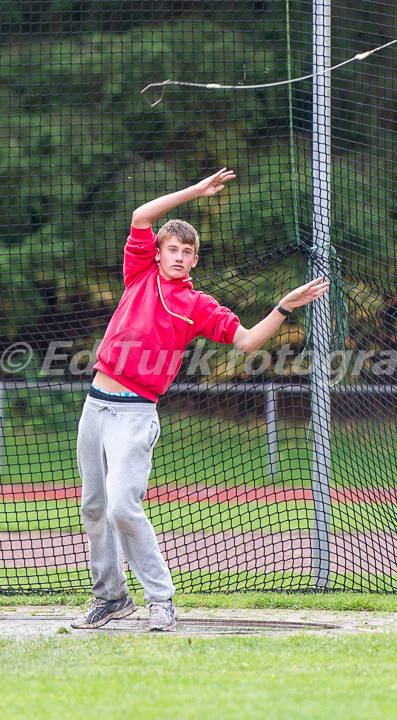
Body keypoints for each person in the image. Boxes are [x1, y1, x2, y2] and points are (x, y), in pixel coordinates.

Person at [71, 168, 329, 632]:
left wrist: (284, 306)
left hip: (134, 413)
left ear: (193, 261)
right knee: (93, 506)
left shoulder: (199, 305)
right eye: (172, 248)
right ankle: (110, 598)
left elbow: (249, 341)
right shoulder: (139, 275)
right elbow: (140, 214)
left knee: (122, 508)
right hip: (95, 405)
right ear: (160, 252)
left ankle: (160, 600)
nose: (178, 256)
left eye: (187, 252)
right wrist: (196, 191)